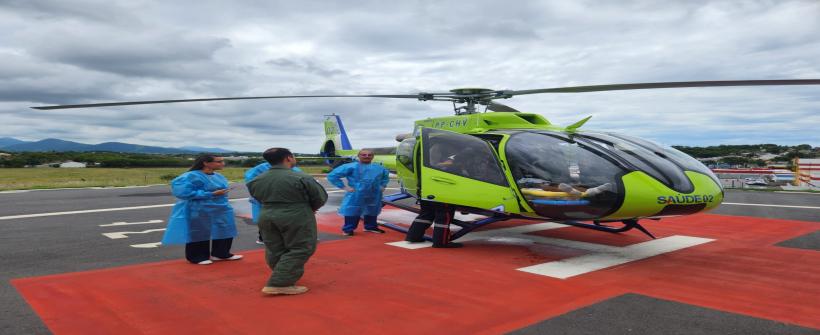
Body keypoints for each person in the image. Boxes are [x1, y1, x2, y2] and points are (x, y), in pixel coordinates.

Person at [248, 148, 328, 296]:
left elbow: (257, 197)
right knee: (302, 247)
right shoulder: (301, 177)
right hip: (296, 214)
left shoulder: (256, 179)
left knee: (274, 247)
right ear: (289, 158)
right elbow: (320, 197)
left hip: (266, 213)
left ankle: (281, 274)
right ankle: (280, 283)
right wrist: (309, 208)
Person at [161, 154, 242, 265]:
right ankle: (197, 256)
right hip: (198, 208)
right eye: (219, 161)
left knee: (224, 229)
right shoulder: (189, 176)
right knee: (199, 231)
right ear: (206, 163)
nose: (222, 163)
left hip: (220, 208)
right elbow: (182, 193)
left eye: (222, 161)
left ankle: (221, 253)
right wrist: (210, 194)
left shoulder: (219, 176)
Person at [326, 149, 390, 236]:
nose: (367, 156)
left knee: (372, 209)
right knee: (352, 209)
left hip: (374, 193)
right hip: (356, 193)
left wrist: (383, 186)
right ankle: (348, 229)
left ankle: (370, 226)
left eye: (369, 155)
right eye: (364, 155)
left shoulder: (379, 168)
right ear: (358, 156)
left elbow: (385, 177)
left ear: (373, 156)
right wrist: (345, 187)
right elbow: (333, 175)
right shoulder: (351, 166)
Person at [245, 161, 303, 244]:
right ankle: (266, 238)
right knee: (272, 221)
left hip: (275, 200)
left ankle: (273, 238)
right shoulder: (264, 168)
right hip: (272, 200)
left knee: (272, 220)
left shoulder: (288, 167)